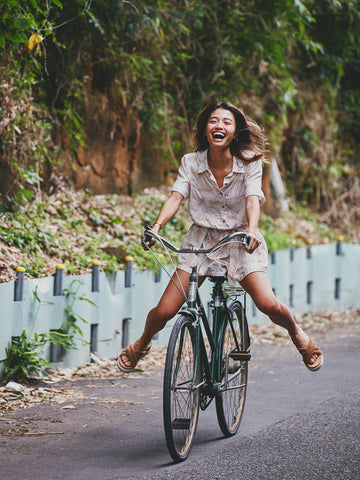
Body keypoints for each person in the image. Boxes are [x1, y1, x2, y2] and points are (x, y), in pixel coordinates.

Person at [117, 101, 323, 373]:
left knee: (268, 304)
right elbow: (176, 197)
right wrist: (156, 228)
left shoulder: (249, 161)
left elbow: (252, 199)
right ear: (205, 128)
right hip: (200, 242)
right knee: (165, 311)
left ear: (235, 132)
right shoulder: (191, 163)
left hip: (240, 240)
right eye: (213, 121)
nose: (219, 126)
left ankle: (297, 333)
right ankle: (142, 343)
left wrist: (251, 229)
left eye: (227, 122)